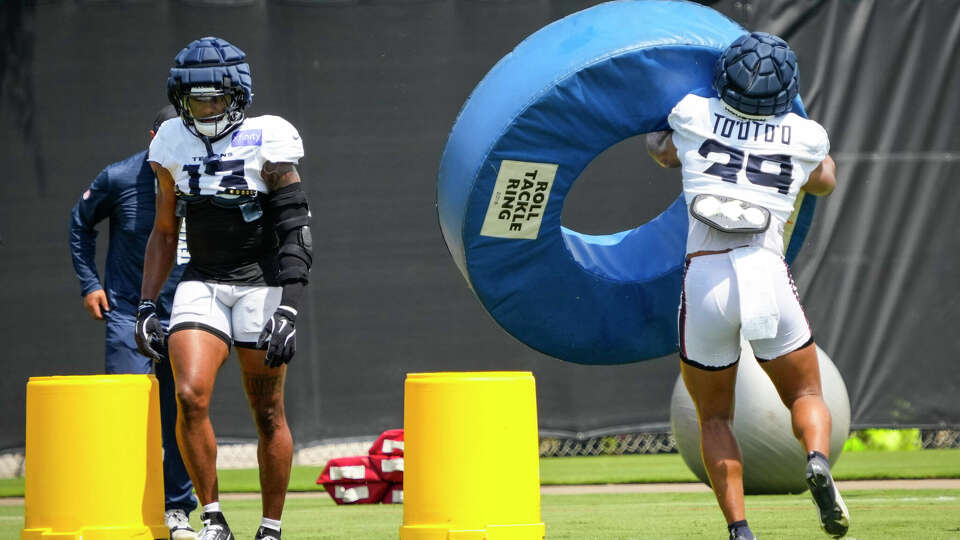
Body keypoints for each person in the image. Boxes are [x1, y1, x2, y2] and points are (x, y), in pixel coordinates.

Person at [646, 32, 850, 540]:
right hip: (765, 271)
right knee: (805, 390)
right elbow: (824, 179)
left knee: (714, 418)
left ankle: (740, 530)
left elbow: (662, 151)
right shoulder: (805, 135)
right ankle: (817, 459)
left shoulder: (693, 113)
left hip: (707, 277)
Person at [137, 36, 311, 540]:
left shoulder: (269, 138)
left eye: (216, 98)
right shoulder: (171, 141)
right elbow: (165, 230)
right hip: (203, 280)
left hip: (260, 284)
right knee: (189, 395)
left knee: (268, 411)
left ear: (237, 97)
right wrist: (147, 303)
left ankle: (270, 526)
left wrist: (291, 307)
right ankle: (212, 518)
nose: (206, 109)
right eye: (196, 100)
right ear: (180, 101)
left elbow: (295, 228)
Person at [69, 106, 199, 539]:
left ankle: (177, 510)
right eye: (167, 136)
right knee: (126, 414)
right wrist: (90, 284)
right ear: (151, 136)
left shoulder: (199, 178)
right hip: (127, 312)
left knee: (182, 411)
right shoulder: (119, 178)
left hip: (185, 316)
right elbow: (80, 223)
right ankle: (123, 507)